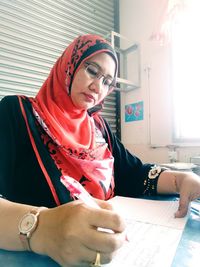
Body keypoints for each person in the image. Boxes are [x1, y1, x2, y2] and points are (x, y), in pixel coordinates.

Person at [0, 34, 200, 267]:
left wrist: (180, 180)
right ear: (69, 65)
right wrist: (42, 228)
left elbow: (134, 173)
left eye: (107, 82)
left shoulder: (98, 128)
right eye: (92, 71)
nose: (97, 87)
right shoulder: (16, 113)